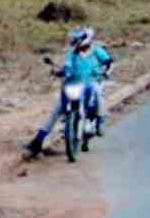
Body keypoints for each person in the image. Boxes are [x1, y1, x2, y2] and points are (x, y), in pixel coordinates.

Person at [25, 27, 114, 157]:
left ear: (84, 39)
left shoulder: (96, 50)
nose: (73, 41)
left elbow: (109, 62)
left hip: (91, 83)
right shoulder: (72, 54)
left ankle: (99, 122)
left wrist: (105, 71)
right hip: (74, 85)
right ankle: (38, 140)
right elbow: (67, 67)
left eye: (75, 39)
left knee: (98, 96)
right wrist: (59, 72)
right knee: (56, 112)